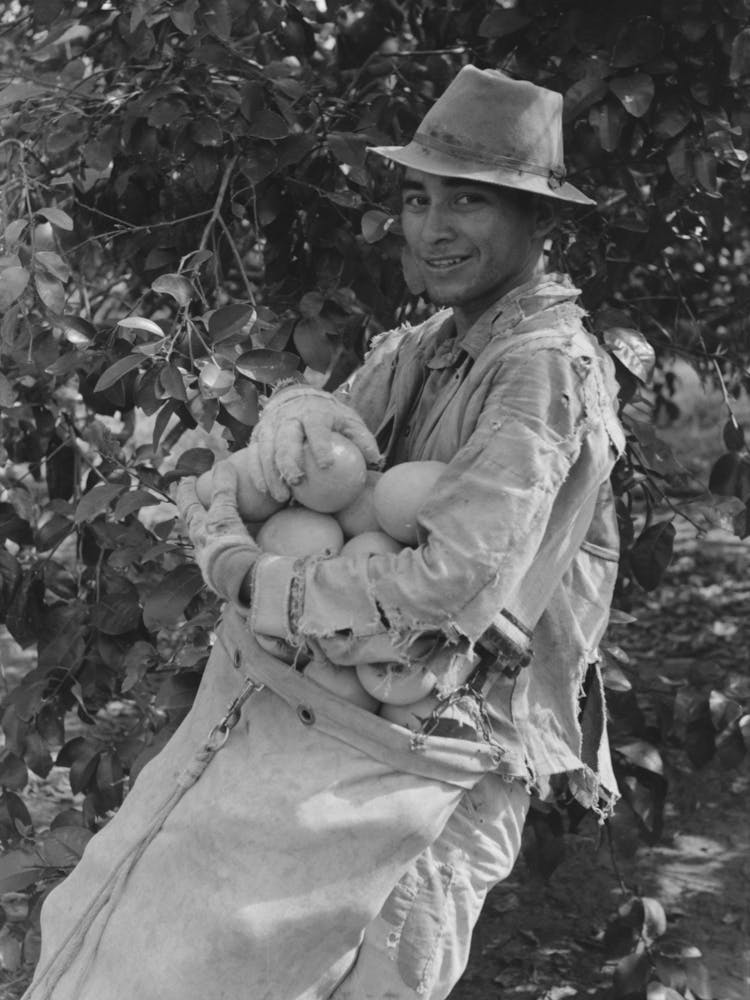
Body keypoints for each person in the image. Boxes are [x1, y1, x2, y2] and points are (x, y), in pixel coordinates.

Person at [24, 67, 625, 1000]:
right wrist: (276, 442)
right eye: (419, 198)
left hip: (446, 756)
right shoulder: (432, 343)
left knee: (383, 980)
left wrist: (269, 587)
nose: (434, 227)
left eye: (469, 202)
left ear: (540, 223)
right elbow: (309, 452)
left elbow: (452, 585)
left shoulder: (541, 370)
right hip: (363, 726)